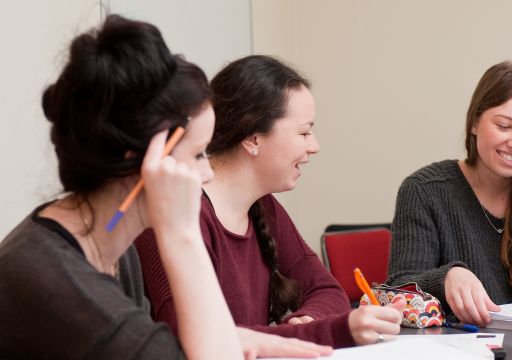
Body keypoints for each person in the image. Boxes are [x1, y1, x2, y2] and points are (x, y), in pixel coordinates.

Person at [0, 15, 330, 360]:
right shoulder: (52, 275)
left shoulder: (115, 246)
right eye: (199, 154)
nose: (206, 174)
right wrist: (180, 232)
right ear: (144, 160)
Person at [136, 55, 405, 348]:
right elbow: (204, 341)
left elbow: (328, 290)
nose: (314, 146)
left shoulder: (265, 207)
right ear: (253, 139)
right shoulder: (180, 216)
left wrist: (308, 321)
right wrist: (327, 330)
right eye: (304, 132)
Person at [387, 60, 512, 327]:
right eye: (504, 126)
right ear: (474, 123)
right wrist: (446, 278)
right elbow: (398, 293)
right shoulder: (424, 191)